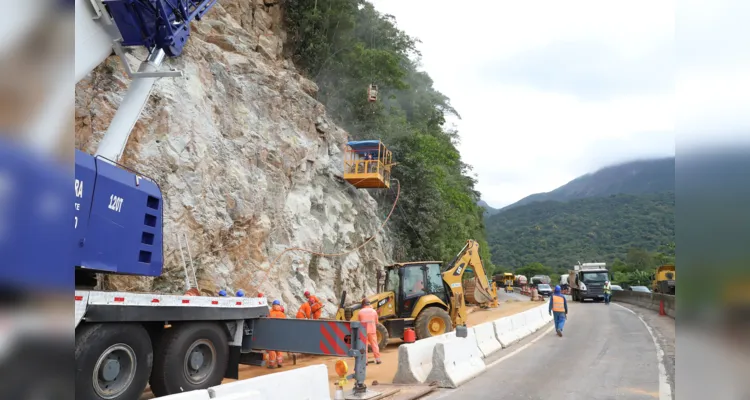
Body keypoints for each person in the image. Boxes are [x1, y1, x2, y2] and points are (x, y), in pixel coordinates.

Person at [358, 298, 381, 364]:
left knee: (364, 346)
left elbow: (359, 322)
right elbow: (377, 322)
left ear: (363, 305)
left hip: (363, 331)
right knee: (374, 345)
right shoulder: (374, 311)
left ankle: (365, 361)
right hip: (372, 331)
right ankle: (378, 359)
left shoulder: (360, 312)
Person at [266, 300, 286, 368]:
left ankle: (272, 364)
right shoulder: (282, 314)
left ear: (273, 305)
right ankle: (279, 363)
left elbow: (266, 322)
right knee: (278, 348)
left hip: (271, 333)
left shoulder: (270, 313)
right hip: (279, 333)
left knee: (271, 348)